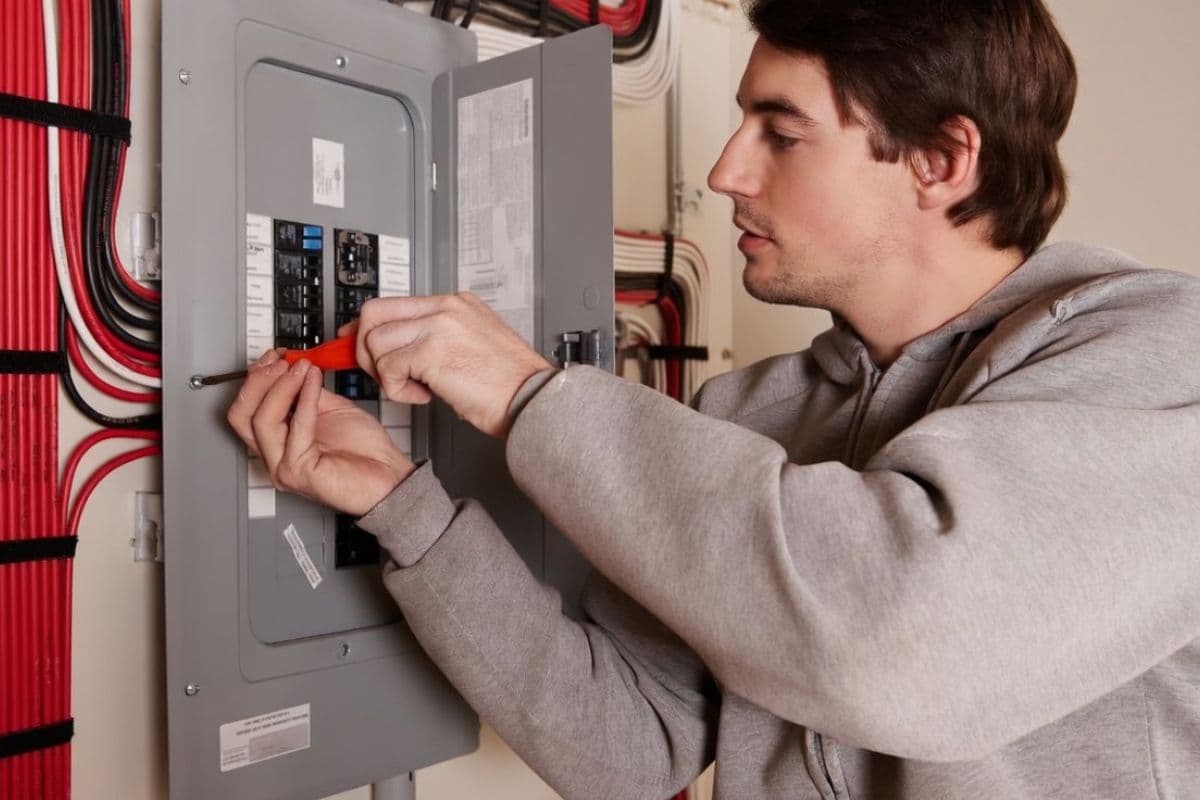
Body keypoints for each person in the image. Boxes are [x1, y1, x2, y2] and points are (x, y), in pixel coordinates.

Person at [227, 0, 1200, 797]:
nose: (727, 171)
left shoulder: (1154, 357)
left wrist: (532, 399)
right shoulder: (750, 413)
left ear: (940, 161)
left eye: (780, 132)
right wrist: (402, 504)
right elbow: (629, 745)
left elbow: (897, 643)